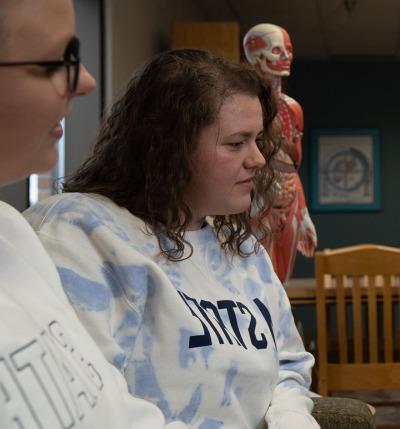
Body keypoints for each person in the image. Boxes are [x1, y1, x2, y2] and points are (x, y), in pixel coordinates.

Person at [22, 49, 319, 428]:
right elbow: (86, 398)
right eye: (236, 143)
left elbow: (290, 364)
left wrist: (292, 419)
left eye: (258, 140)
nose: (258, 159)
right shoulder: (79, 232)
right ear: (171, 148)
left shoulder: (243, 248)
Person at [0, 0, 186, 427]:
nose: (85, 81)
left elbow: (117, 411)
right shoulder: (69, 227)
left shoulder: (12, 235)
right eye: (58, 62)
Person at [243, 22, 317, 283]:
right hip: (255, 199)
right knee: (257, 276)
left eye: (288, 49)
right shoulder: (242, 106)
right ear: (255, 54)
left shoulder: (292, 109)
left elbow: (292, 165)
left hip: (289, 196)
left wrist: (304, 210)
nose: (286, 56)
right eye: (277, 49)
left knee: (282, 281)